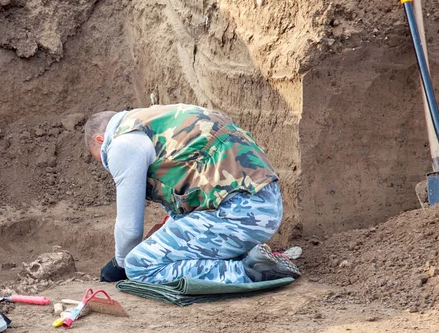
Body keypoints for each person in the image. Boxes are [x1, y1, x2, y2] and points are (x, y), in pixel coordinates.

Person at [83, 104, 300, 284]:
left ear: (101, 140)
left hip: (241, 213)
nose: (108, 164)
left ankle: (248, 272)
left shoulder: (122, 143)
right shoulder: (159, 118)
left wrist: (120, 264)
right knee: (166, 236)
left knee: (139, 265)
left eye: (102, 159)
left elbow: (129, 228)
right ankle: (251, 258)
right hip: (263, 204)